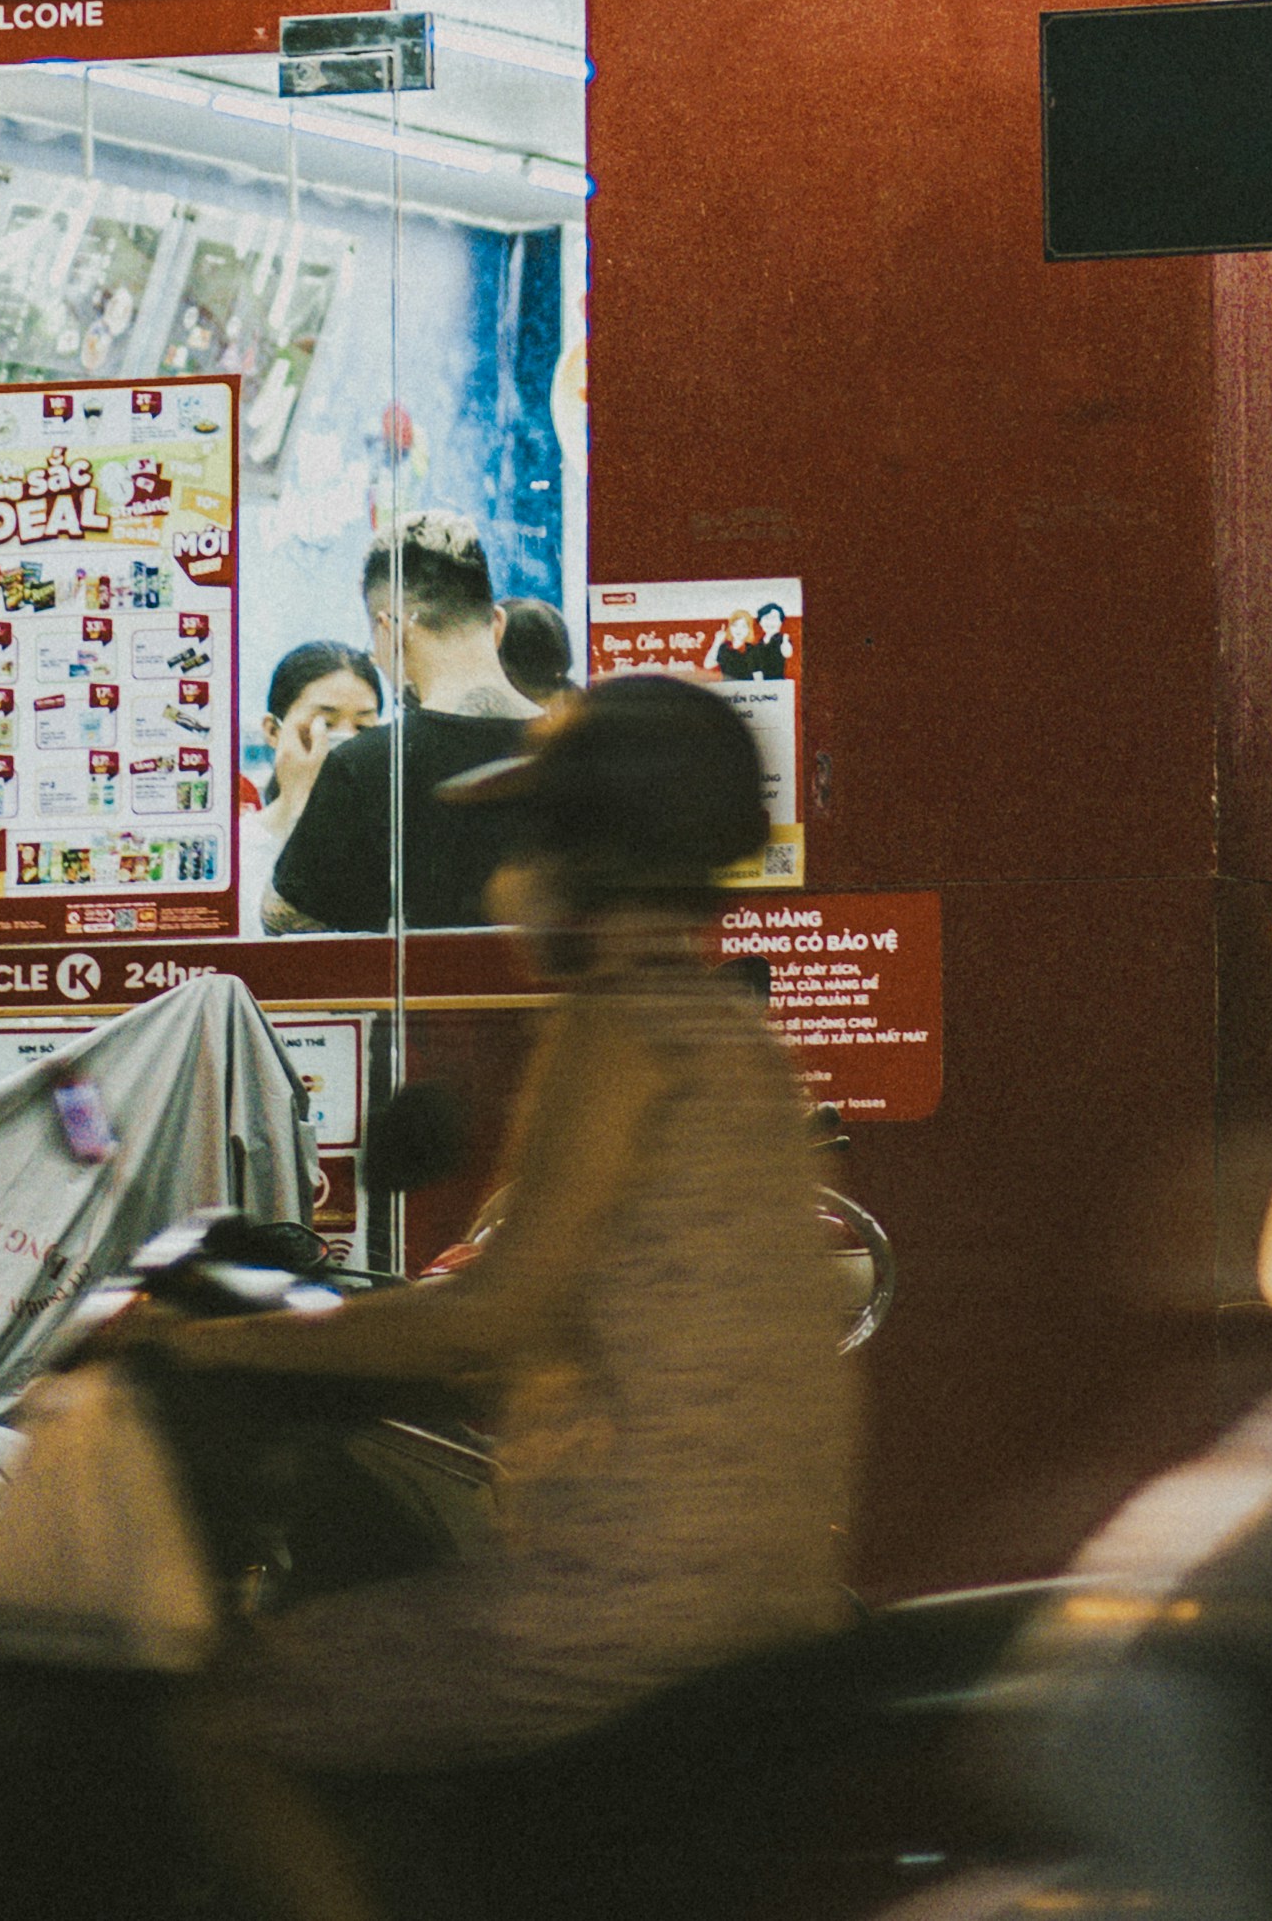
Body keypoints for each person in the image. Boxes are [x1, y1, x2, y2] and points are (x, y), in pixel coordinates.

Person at [156, 674, 856, 1917]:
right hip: (773, 1600)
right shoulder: (732, 1039)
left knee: (227, 1714)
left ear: (590, 854)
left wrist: (210, 1352)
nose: (509, 873)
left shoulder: (615, 1030)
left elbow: (495, 1319)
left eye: (533, 837)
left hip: (618, 1614)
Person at [277, 514, 532, 931]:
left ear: (389, 632)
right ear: (498, 624)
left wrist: (299, 807)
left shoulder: (364, 768)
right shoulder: (581, 750)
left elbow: (286, 923)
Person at [246, 643, 384, 934]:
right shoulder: (241, 849)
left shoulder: (387, 842)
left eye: (363, 728)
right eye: (325, 724)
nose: (345, 741)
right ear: (273, 730)